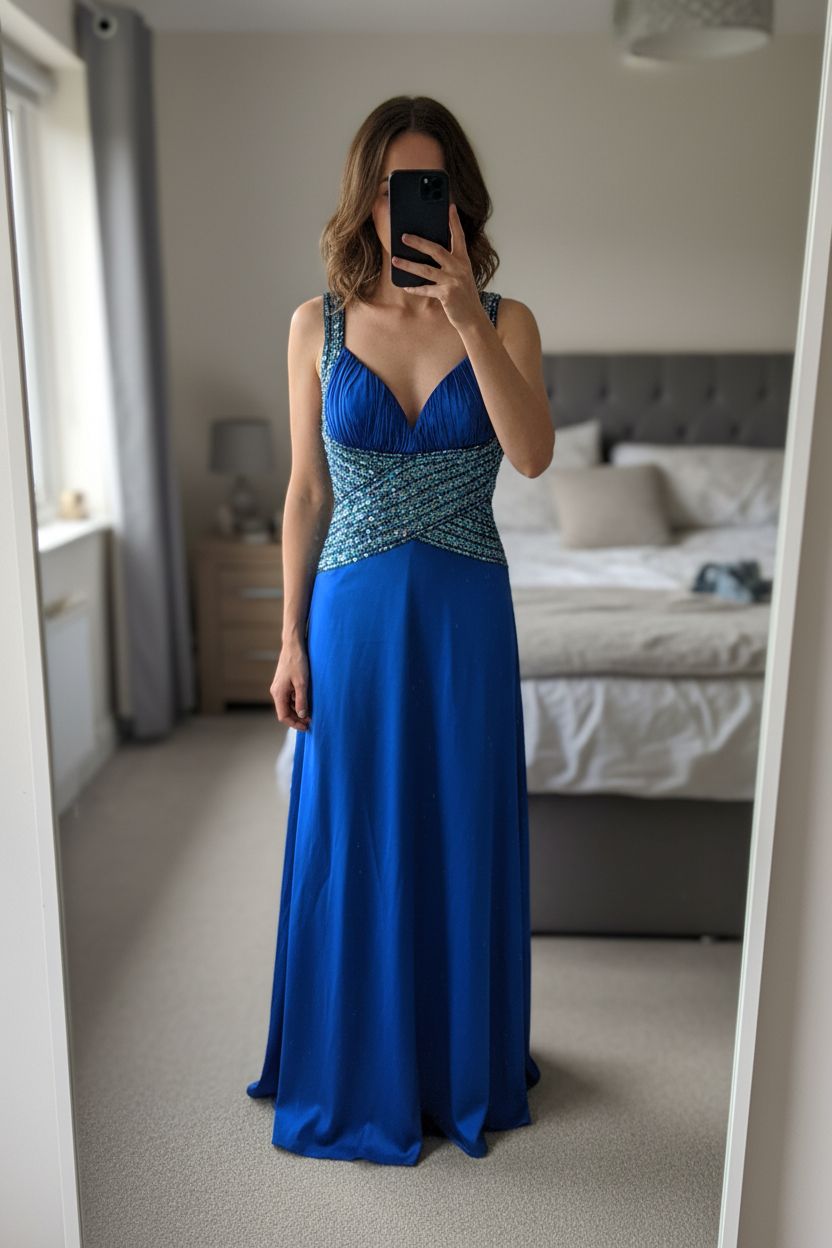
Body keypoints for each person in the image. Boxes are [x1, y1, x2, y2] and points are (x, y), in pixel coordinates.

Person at [246, 94, 553, 1166]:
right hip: (353, 618)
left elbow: (531, 459)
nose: (402, 207)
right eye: (386, 187)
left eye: (422, 186)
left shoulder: (506, 320)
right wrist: (289, 641)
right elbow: (301, 494)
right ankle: (351, 1062)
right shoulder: (313, 323)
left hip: (467, 614)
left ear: (455, 199)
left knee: (458, 829)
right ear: (364, 198)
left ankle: (454, 1061)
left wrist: (467, 312)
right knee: (352, 835)